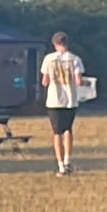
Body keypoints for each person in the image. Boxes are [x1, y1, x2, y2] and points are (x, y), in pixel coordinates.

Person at [38, 31, 86, 176]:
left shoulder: (48, 59)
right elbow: (78, 81)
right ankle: (67, 160)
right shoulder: (75, 59)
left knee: (57, 133)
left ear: (54, 44)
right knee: (68, 130)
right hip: (70, 100)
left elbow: (44, 82)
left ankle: (60, 166)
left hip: (54, 100)